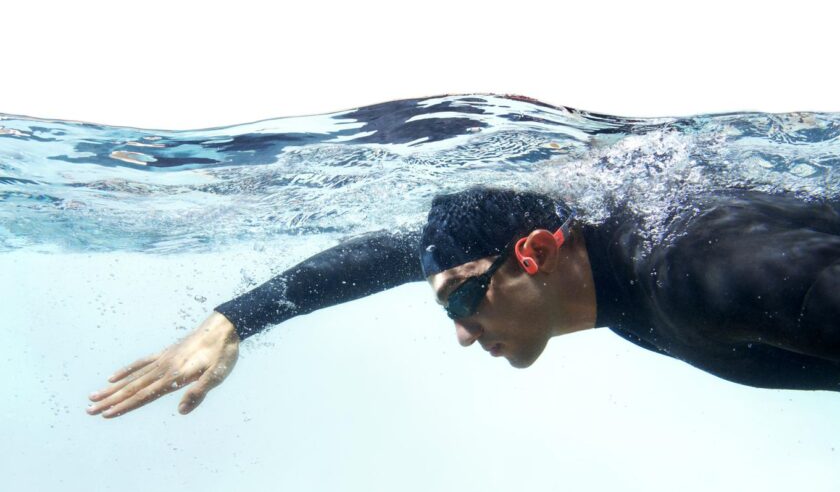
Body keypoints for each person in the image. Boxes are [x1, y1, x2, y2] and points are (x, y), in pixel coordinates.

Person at [86, 187, 840, 418]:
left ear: (537, 254)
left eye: (457, 306)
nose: (462, 335)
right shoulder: (621, 265)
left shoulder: (695, 273)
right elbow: (395, 255)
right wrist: (234, 318)